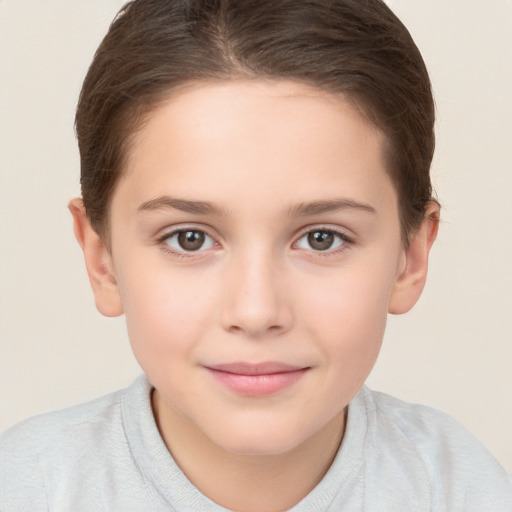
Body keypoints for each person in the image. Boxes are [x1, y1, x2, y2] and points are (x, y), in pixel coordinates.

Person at [1, 0, 511, 510]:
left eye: (321, 238)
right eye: (189, 238)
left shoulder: (458, 490)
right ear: (102, 259)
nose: (256, 311)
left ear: (412, 256)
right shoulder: (29, 489)